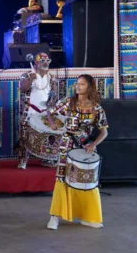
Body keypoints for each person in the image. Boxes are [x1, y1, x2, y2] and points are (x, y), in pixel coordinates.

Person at [46, 74, 108, 230]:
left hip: (85, 147)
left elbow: (104, 132)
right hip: (66, 144)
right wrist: (53, 123)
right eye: (77, 83)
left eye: (82, 84)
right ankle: (55, 217)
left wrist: (93, 144)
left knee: (87, 181)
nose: (78, 86)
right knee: (61, 178)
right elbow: (49, 112)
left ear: (89, 87)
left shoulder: (97, 108)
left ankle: (89, 217)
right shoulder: (68, 102)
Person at [16, 52, 59, 169]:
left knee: (48, 135)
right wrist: (30, 80)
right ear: (35, 62)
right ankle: (23, 160)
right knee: (24, 136)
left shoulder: (52, 78)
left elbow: (55, 95)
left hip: (45, 112)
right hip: (29, 111)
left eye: (47, 61)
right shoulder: (27, 75)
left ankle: (48, 158)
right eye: (42, 61)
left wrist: (52, 101)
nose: (45, 63)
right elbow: (23, 89)